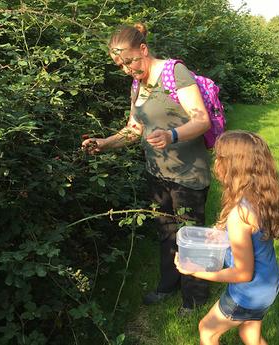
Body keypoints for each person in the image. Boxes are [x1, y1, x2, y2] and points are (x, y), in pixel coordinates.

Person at [82, 23, 212, 312]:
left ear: (144, 49)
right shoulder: (137, 84)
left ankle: (194, 299)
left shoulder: (175, 73)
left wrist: (171, 135)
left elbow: (202, 119)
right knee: (166, 231)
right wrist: (105, 143)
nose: (127, 69)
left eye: (130, 61)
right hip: (157, 173)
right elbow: (134, 129)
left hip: (188, 173)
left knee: (191, 235)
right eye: (120, 65)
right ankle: (168, 286)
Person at [175, 130, 279, 345]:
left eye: (219, 157)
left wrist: (194, 271)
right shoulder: (259, 196)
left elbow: (243, 273)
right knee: (249, 336)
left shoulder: (239, 215)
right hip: (269, 283)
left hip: (249, 292)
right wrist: (219, 234)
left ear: (232, 166)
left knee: (207, 330)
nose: (215, 162)